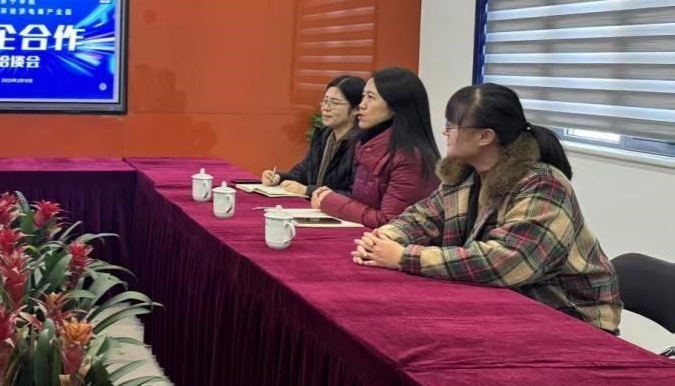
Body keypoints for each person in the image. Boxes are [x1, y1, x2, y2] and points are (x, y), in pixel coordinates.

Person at [353, 83, 621, 333]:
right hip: (502, 307)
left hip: (568, 319)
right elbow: (422, 217)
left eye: (452, 126)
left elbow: (506, 261)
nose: (446, 133)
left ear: (485, 136)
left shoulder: (543, 185)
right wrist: (385, 237)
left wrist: (405, 257)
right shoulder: (465, 174)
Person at [313, 67, 440, 227]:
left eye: (370, 97)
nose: (361, 105)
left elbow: (390, 222)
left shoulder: (410, 157)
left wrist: (332, 201)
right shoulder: (367, 144)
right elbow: (362, 205)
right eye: (363, 96)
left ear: (395, 106)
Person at [261, 75, 364, 196]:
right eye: (325, 101)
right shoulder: (323, 135)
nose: (326, 108)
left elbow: (355, 195)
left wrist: (308, 191)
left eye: (334, 103)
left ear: (356, 109)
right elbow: (303, 173)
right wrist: (279, 178)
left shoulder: (362, 145)